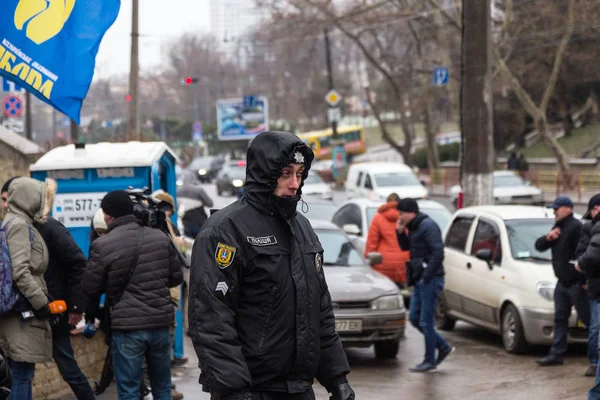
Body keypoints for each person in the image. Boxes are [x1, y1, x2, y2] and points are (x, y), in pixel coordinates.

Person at [189, 131, 354, 400]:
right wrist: (233, 390)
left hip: (299, 389)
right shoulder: (225, 229)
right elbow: (210, 319)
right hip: (251, 390)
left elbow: (319, 309)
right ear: (264, 173)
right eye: (286, 173)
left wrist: (336, 377)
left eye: (300, 174)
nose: (294, 183)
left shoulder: (302, 227)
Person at [82, 190, 184, 400]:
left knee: (128, 391)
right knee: (162, 388)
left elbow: (90, 288)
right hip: (159, 325)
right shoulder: (159, 237)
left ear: (109, 216)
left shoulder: (103, 245)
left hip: (127, 328)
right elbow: (175, 278)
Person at [0, 177, 56, 400]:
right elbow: (20, 272)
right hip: (21, 316)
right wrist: (42, 302)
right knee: (21, 375)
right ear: (29, 199)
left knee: (17, 374)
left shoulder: (15, 223)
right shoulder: (19, 226)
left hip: (18, 312)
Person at [396, 198, 454, 373]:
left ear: (411, 212)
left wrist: (426, 277)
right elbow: (406, 248)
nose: (399, 217)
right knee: (414, 318)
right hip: (420, 279)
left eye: (401, 214)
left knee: (426, 322)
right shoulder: (414, 226)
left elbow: (438, 253)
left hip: (430, 279)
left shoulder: (428, 226)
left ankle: (430, 361)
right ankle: (443, 346)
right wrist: (399, 232)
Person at [535, 196, 587, 367]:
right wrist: (548, 238)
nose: (554, 211)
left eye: (557, 208)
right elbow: (539, 246)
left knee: (588, 320)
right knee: (560, 318)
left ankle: (594, 359)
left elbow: (584, 254)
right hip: (562, 283)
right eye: (553, 208)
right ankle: (556, 354)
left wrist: (582, 279)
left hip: (576, 283)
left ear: (568, 209)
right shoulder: (559, 227)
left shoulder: (577, 227)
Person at [575, 194, 600, 379]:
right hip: (594, 285)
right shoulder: (589, 227)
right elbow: (584, 254)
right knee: (595, 327)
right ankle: (593, 362)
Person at [365, 192, 409, 288]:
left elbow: (372, 243)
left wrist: (368, 259)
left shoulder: (378, 218)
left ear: (387, 202)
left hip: (383, 263)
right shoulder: (406, 218)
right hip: (403, 264)